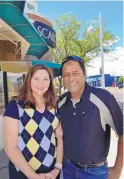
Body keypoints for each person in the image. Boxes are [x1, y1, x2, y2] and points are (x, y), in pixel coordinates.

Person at [57, 55, 123, 179]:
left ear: (84, 73)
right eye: (66, 75)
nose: (70, 78)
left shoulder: (104, 98)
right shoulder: (60, 102)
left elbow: (122, 132)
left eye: (75, 73)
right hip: (68, 169)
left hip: (94, 173)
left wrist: (118, 169)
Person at [3, 65, 63, 179]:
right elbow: (10, 147)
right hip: (23, 173)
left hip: (51, 173)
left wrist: (58, 167)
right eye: (36, 78)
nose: (41, 83)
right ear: (29, 80)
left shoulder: (53, 106)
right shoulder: (15, 106)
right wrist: (33, 176)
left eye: (45, 79)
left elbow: (59, 137)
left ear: (50, 82)